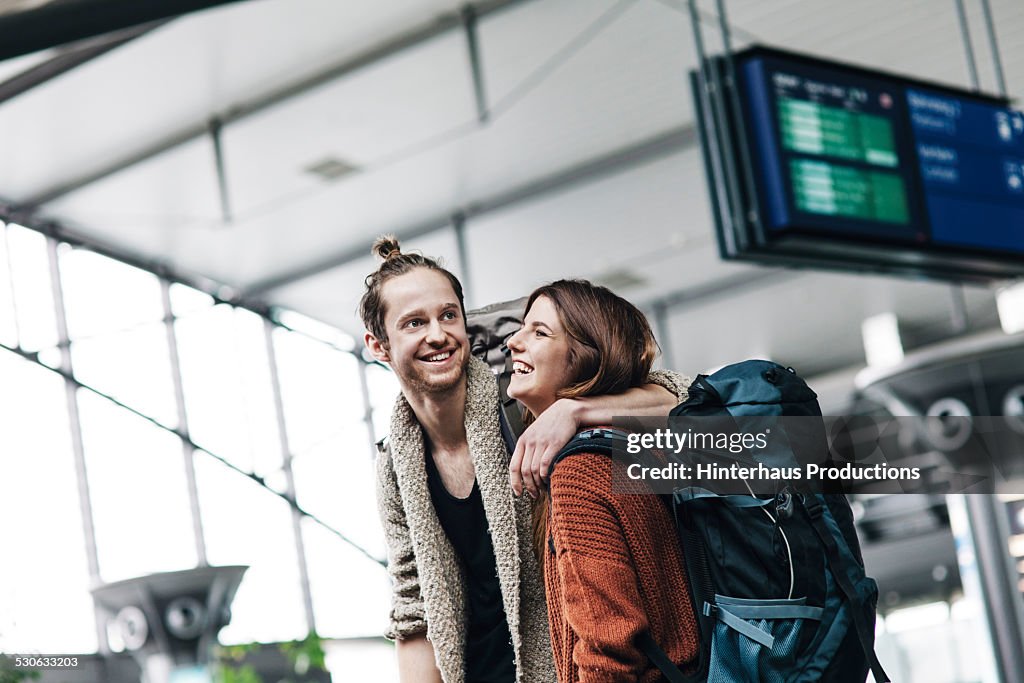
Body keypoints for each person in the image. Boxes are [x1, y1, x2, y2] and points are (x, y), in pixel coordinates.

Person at [359, 237, 688, 683]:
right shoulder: (397, 466)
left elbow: (691, 399)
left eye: (448, 315)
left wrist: (574, 410)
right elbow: (414, 608)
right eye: (414, 323)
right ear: (379, 347)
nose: (438, 334)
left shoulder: (522, 403)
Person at [505, 279, 700, 683]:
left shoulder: (581, 472)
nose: (513, 341)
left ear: (585, 360)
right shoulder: (645, 450)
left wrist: (572, 411)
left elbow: (607, 649)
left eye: (539, 332)